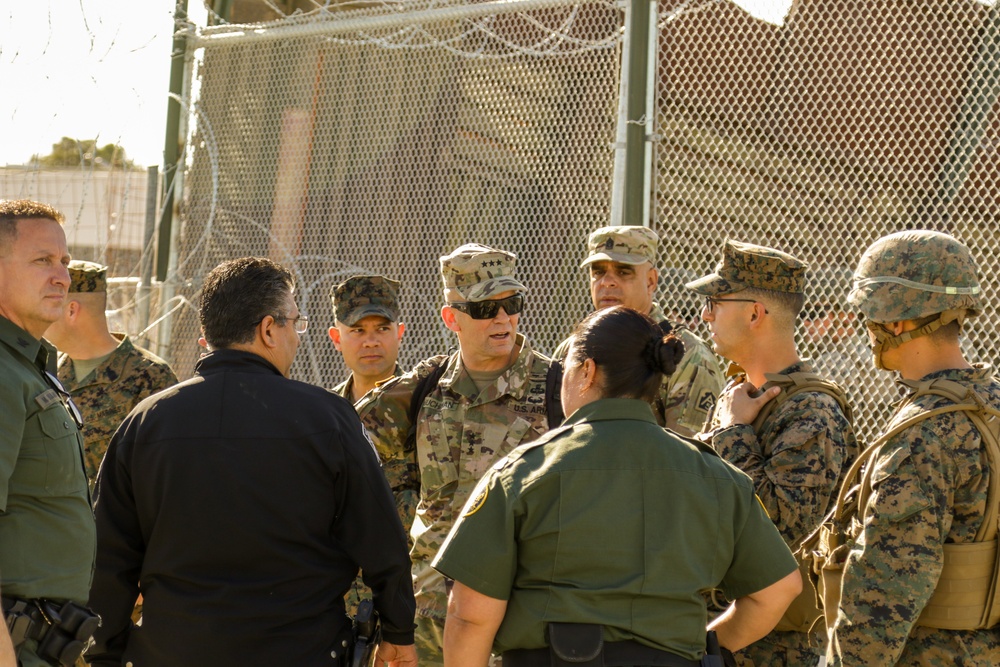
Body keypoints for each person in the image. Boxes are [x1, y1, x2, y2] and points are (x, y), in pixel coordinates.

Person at [86, 257, 417, 667]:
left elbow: (108, 556)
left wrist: (104, 651)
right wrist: (399, 631)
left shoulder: (145, 423)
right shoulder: (327, 419)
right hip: (302, 650)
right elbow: (382, 538)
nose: (297, 336)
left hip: (172, 650)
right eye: (295, 323)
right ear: (267, 330)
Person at [432, 306, 802, 667]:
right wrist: (707, 648)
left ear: (587, 371)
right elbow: (778, 590)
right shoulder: (717, 477)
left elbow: (470, 617)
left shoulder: (524, 472)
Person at [357, 243, 556, 666]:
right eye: (485, 309)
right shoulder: (426, 388)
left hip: (516, 617)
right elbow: (346, 439)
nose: (503, 318)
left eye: (511, 303)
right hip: (428, 618)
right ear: (452, 318)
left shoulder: (556, 388)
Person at [825, 230, 1000, 665]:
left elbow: (881, 599)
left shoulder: (922, 432)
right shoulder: (991, 403)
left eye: (869, 317)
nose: (865, 331)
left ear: (897, 321)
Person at [687, 240, 859, 666]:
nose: (705, 315)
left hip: (771, 648)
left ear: (754, 313)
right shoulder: (741, 396)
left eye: (715, 302)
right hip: (718, 628)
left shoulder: (812, 411)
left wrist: (733, 433)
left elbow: (782, 528)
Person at [0, 199, 97, 667]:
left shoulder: (29, 368)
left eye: (65, 262)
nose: (62, 276)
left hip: (48, 641)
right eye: (42, 260)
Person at [553, 225, 723, 437]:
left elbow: (689, 455)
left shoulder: (688, 354)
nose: (607, 282)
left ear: (651, 281)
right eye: (598, 272)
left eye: (623, 272)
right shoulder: (573, 347)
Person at [44, 260, 178, 490]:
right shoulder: (48, 372)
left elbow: (166, 473)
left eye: (49, 305)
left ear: (71, 310)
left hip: (110, 524)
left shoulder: (149, 377)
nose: (40, 316)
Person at [329, 274, 405, 403]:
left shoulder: (425, 404)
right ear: (337, 339)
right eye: (358, 330)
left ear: (399, 334)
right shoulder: (328, 409)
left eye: (382, 329)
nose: (371, 342)